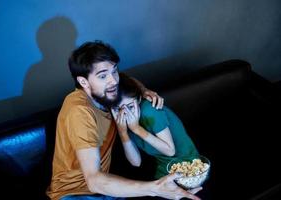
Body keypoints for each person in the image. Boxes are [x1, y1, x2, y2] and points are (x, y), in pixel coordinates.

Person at [46, 40, 201, 200]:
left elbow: (128, 80)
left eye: (114, 71)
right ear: (83, 82)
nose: (113, 80)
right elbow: (93, 180)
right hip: (74, 194)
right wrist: (155, 188)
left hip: (104, 191)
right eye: (103, 76)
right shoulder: (79, 112)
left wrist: (144, 90)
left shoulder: (108, 90)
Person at [111, 74, 200, 180]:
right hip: (164, 169)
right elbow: (136, 162)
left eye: (130, 106)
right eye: (117, 109)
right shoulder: (120, 121)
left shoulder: (149, 111)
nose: (126, 113)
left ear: (139, 99)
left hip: (189, 165)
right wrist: (123, 133)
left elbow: (170, 151)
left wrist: (137, 129)